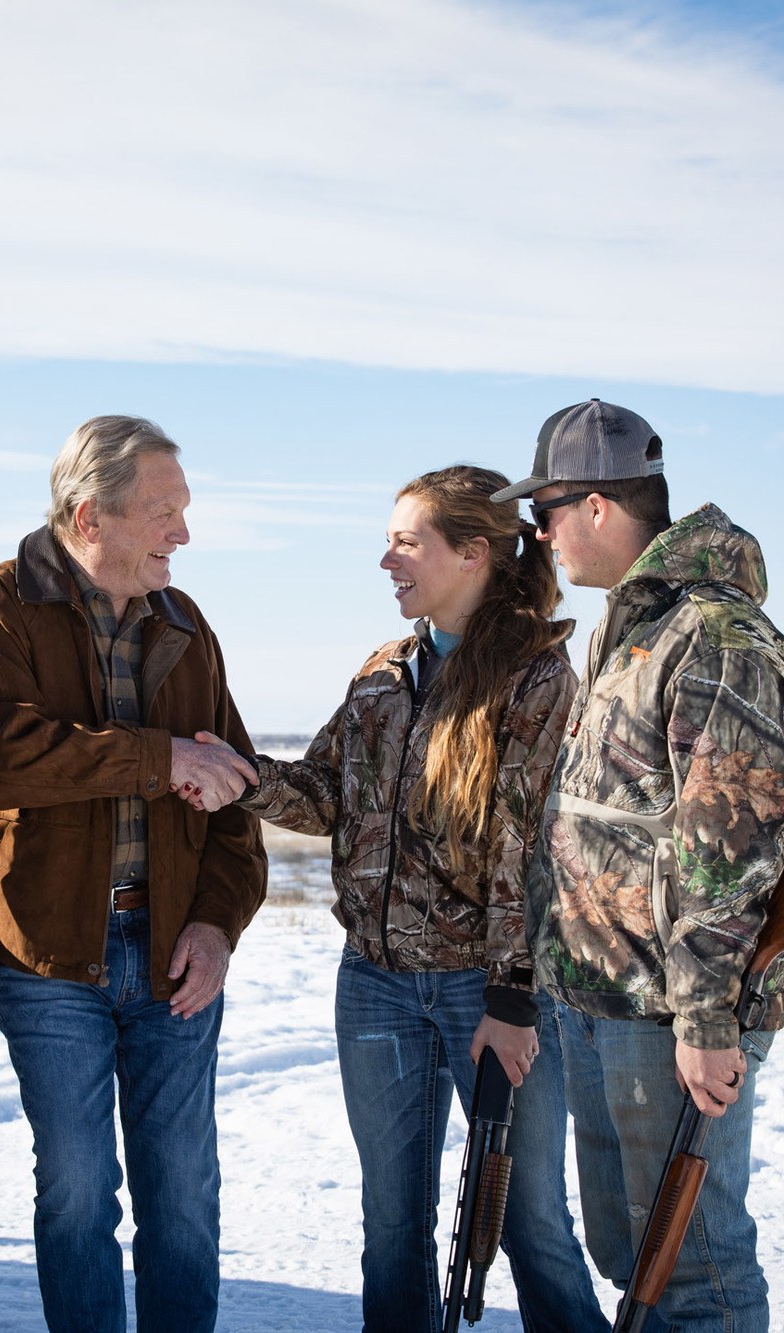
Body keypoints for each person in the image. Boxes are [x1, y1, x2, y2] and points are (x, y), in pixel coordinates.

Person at [202, 465, 606, 1333]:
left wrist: (512, 997)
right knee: (391, 1227)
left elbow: (530, 852)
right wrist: (240, 779)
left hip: (488, 992)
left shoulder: (536, 678)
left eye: (406, 542)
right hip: (375, 984)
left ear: (473, 552)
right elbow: (326, 794)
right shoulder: (384, 672)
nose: (387, 559)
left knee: (530, 1220)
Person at [0, 415, 267, 1333]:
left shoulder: (185, 622)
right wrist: (158, 758)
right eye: (164, 512)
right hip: (47, 952)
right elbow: (2, 757)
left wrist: (217, 925)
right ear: (91, 515)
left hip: (175, 952)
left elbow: (234, 794)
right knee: (77, 1192)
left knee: (185, 1193)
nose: (183, 533)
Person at [497, 400, 784, 1331]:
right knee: (633, 1254)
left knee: (696, 1265)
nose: (540, 534)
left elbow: (730, 848)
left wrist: (706, 1018)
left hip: (670, 1012)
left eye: (545, 511)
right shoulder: (632, 629)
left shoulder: (715, 637)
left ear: (596, 506)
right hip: (602, 998)